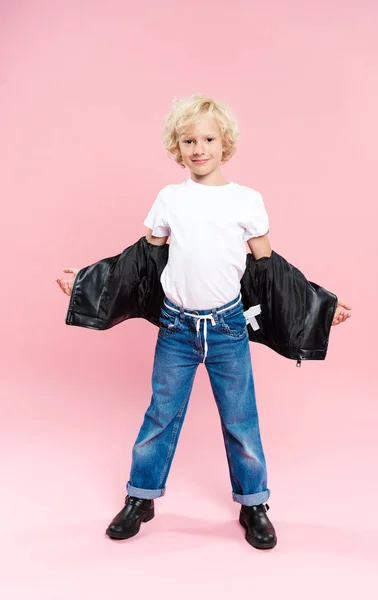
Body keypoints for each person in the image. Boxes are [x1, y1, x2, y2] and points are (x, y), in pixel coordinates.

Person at [56, 93, 352, 550]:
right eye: (188, 140)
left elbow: (271, 269)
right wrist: (86, 281)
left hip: (228, 329)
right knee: (160, 416)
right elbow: (139, 259)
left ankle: (253, 504)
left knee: (241, 420)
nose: (199, 148)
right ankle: (141, 498)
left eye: (208, 139)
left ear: (224, 142)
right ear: (177, 146)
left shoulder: (246, 200)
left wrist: (319, 306)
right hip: (176, 329)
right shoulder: (170, 198)